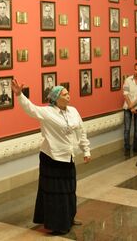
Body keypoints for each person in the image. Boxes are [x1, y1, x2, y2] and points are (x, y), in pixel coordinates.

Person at [11, 78, 90, 235]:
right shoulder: (47, 112)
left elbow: (81, 131)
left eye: (68, 94)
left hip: (68, 157)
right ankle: (56, 223)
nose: (68, 96)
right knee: (54, 192)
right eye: (65, 94)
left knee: (69, 189)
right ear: (56, 98)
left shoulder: (73, 111)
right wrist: (20, 95)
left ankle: (69, 217)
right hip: (51, 157)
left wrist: (86, 150)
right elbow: (30, 109)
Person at [122, 63, 137, 156]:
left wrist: (133, 106)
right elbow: (125, 94)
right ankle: (127, 148)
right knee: (127, 129)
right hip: (127, 107)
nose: (136, 72)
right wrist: (131, 107)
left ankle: (136, 147)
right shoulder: (128, 80)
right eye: (135, 69)